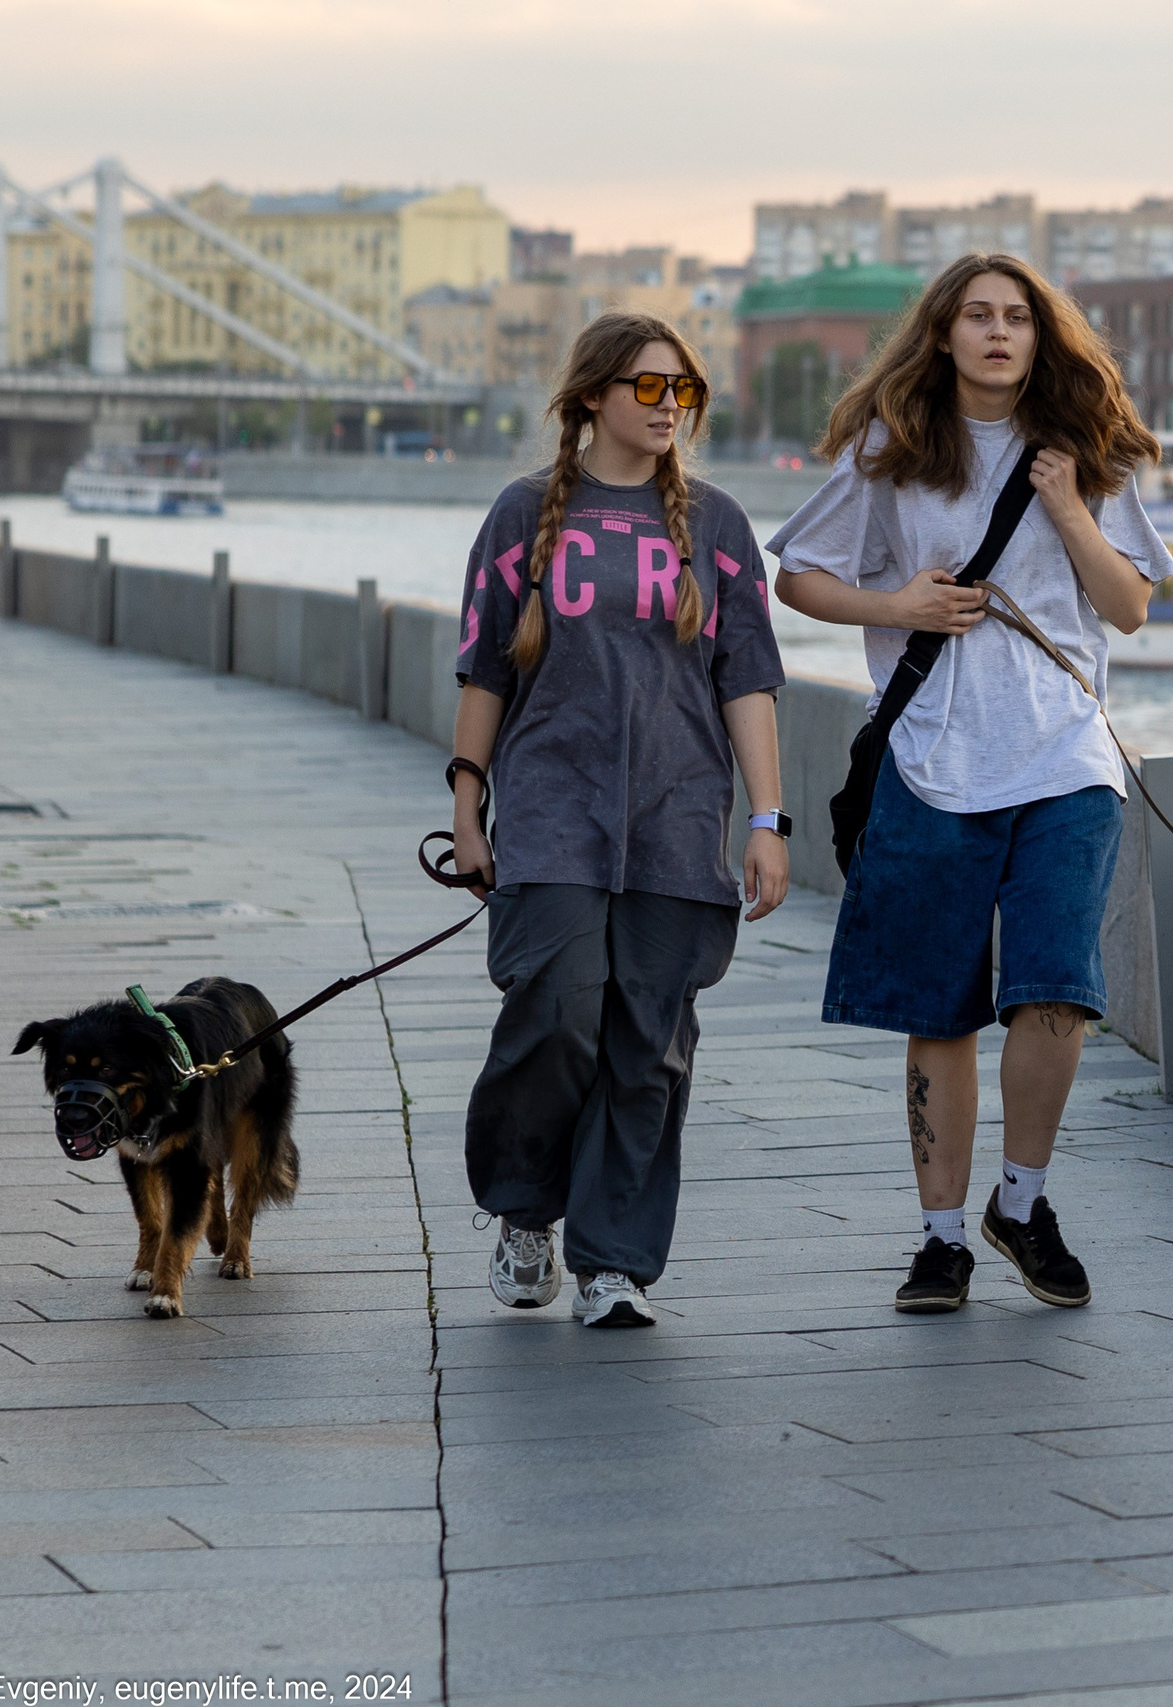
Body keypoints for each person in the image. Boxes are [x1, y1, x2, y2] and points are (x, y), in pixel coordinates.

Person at [770, 254, 1172, 1314]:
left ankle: (1021, 1204)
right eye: (978, 316)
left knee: (1056, 987)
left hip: (1064, 755)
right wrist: (897, 606)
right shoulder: (893, 447)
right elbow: (796, 573)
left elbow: (1129, 608)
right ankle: (941, 1239)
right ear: (942, 332)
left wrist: (1069, 507)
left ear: (1042, 336)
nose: (998, 332)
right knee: (937, 1008)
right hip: (930, 754)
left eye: (1017, 318)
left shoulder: (1082, 445)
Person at [450, 311, 790, 1330]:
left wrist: (767, 819)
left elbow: (748, 680)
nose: (668, 405)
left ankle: (614, 1263)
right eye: (648, 386)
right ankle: (525, 1210)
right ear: (592, 396)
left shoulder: (718, 526)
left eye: (683, 389)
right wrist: (467, 805)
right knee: (555, 1012)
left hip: (678, 818)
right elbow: (484, 668)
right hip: (552, 808)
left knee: (650, 1044)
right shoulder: (522, 514)